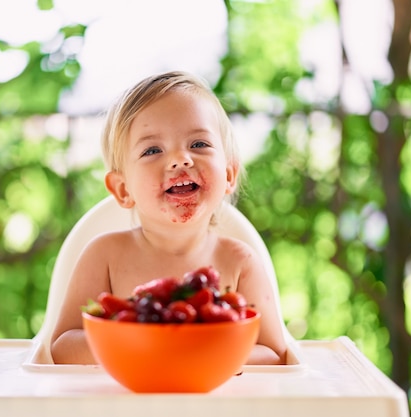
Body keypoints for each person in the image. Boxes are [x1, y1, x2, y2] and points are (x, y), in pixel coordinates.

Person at [50, 70, 287, 365]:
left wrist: (198, 353)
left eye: (198, 144)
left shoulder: (240, 263)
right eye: (152, 150)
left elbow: (274, 354)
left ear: (228, 174)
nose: (180, 159)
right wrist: (143, 344)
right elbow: (61, 347)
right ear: (123, 189)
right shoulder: (104, 257)